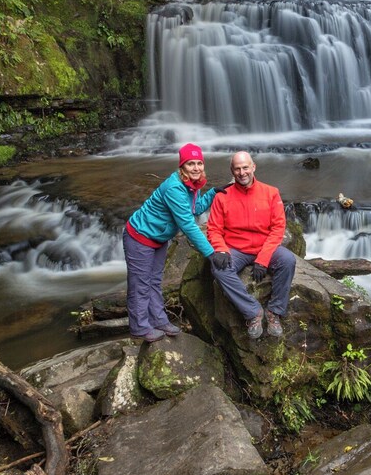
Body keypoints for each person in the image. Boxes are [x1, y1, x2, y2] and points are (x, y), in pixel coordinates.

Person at [123, 143, 227, 342]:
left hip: (158, 238)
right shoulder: (175, 188)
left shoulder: (192, 184)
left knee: (154, 281)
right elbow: (188, 225)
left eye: (199, 163)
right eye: (190, 164)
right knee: (140, 284)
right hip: (139, 237)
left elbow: (195, 209)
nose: (196, 168)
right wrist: (211, 253)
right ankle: (139, 328)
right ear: (182, 167)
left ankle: (159, 320)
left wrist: (213, 193)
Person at [207, 151, 296, 339]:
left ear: (253, 167)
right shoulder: (222, 196)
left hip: (265, 248)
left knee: (287, 260)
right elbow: (214, 229)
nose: (242, 172)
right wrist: (221, 249)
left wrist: (263, 259)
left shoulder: (271, 193)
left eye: (245, 167)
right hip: (236, 249)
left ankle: (274, 312)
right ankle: (253, 312)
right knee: (218, 267)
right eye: (237, 169)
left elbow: (278, 228)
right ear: (232, 171)